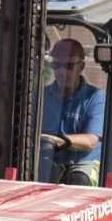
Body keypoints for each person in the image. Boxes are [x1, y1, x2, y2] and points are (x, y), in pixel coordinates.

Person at [38, 38, 106, 185]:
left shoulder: (95, 98)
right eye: (56, 65)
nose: (61, 71)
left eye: (68, 66)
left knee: (78, 180)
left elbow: (90, 141)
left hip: (81, 164)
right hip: (49, 162)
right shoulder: (41, 96)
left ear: (81, 67)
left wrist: (59, 140)